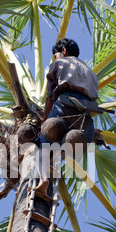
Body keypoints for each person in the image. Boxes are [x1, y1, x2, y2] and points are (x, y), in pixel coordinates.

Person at [36, 38, 98, 195]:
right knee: (81, 142)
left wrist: (44, 123)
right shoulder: (91, 74)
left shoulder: (59, 64)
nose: (56, 58)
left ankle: (43, 178)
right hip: (84, 115)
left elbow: (50, 97)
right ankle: (60, 154)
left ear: (63, 51)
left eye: (56, 55)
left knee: (41, 147)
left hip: (64, 105)